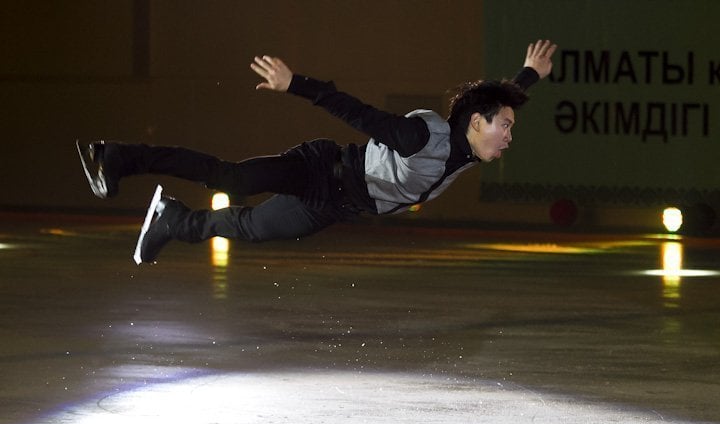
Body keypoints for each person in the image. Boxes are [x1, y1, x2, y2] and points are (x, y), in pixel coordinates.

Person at [77, 40, 557, 264]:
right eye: (506, 127)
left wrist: (528, 74)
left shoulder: (469, 146)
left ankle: (173, 220)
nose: (510, 136)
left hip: (336, 206)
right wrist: (295, 85)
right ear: (477, 124)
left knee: (252, 229)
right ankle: (122, 156)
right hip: (322, 171)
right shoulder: (423, 138)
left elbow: (497, 100)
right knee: (232, 180)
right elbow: (358, 113)